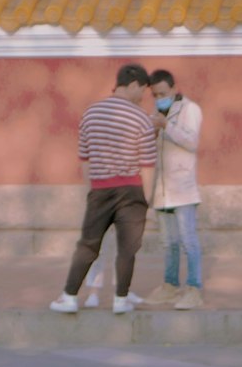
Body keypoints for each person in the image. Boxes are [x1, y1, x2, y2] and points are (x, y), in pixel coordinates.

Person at [49, 63, 156, 315]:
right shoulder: (141, 117)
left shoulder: (91, 113)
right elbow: (148, 164)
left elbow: (84, 158)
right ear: (132, 85)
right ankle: (121, 299)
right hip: (131, 190)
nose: (143, 96)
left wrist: (92, 190)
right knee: (127, 248)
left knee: (88, 245)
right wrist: (146, 198)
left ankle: (70, 296)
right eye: (142, 90)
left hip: (100, 191)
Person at [144, 68, 205, 310]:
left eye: (163, 93)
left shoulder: (190, 109)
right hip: (162, 188)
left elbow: (191, 142)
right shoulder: (157, 112)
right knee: (168, 242)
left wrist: (166, 126)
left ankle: (194, 288)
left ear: (173, 88)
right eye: (156, 94)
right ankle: (170, 286)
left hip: (183, 188)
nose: (160, 98)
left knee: (188, 240)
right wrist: (154, 130)